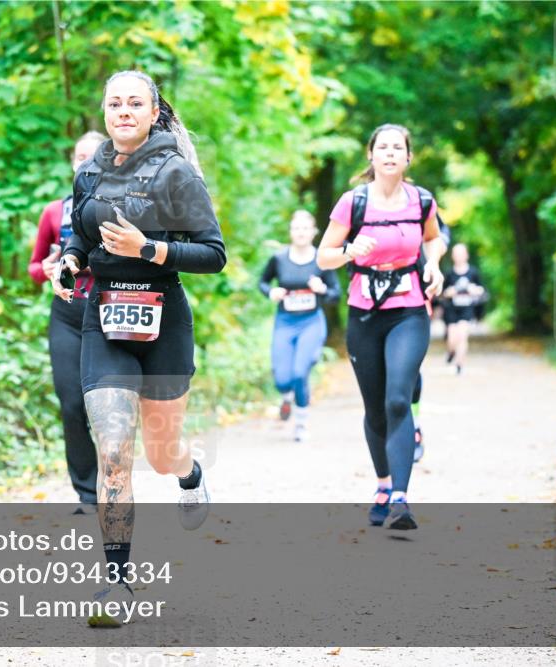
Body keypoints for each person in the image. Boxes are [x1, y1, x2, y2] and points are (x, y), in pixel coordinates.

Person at [52, 70, 225, 624]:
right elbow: (77, 231)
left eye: (134, 103)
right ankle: (118, 582)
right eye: (114, 103)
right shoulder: (89, 173)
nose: (123, 111)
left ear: (154, 112)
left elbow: (213, 253)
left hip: (162, 321)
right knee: (114, 450)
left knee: (161, 452)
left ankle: (190, 473)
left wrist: (148, 249)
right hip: (102, 319)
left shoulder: (177, 173)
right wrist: (71, 261)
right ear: (104, 112)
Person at [317, 123, 445, 531]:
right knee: (375, 409)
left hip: (409, 309)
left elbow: (433, 239)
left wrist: (436, 265)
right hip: (364, 313)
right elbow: (324, 257)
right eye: (382, 147)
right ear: (371, 157)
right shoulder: (352, 203)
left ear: (408, 157)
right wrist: (349, 250)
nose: (390, 153)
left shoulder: (422, 200)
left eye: (398, 147)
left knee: (396, 400)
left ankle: (401, 501)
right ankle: (383, 484)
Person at [27, 131, 106, 514]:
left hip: (109, 314)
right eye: (79, 157)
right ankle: (87, 495)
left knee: (107, 408)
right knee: (72, 405)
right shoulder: (53, 212)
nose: (85, 163)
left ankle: (116, 483)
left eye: (93, 157)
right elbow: (34, 267)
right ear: (72, 163)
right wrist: (44, 271)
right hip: (66, 315)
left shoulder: (121, 207)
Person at [258, 210, 340, 441]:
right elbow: (263, 282)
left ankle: (301, 423)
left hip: (311, 322)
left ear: (314, 232)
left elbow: (335, 295)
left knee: (299, 372)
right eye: (297, 228)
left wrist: (322, 289)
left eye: (306, 228)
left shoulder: (322, 260)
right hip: (285, 322)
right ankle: (286, 398)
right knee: (282, 378)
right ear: (291, 232)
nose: (301, 232)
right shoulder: (279, 258)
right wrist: (271, 292)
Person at [411, 214, 450, 463]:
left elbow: (440, 235)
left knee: (409, 368)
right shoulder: (360, 202)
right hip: (369, 304)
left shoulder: (417, 201)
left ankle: (413, 427)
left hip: (413, 299)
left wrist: (431, 260)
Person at [442, 243, 486, 375]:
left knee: (462, 336)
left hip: (467, 308)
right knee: (452, 338)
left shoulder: (473, 272)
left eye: (461, 253)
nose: (459, 256)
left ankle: (459, 364)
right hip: (452, 309)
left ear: (466, 255)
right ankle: (451, 351)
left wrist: (473, 290)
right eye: (456, 254)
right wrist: (451, 291)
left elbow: (481, 290)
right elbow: (443, 292)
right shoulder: (449, 273)